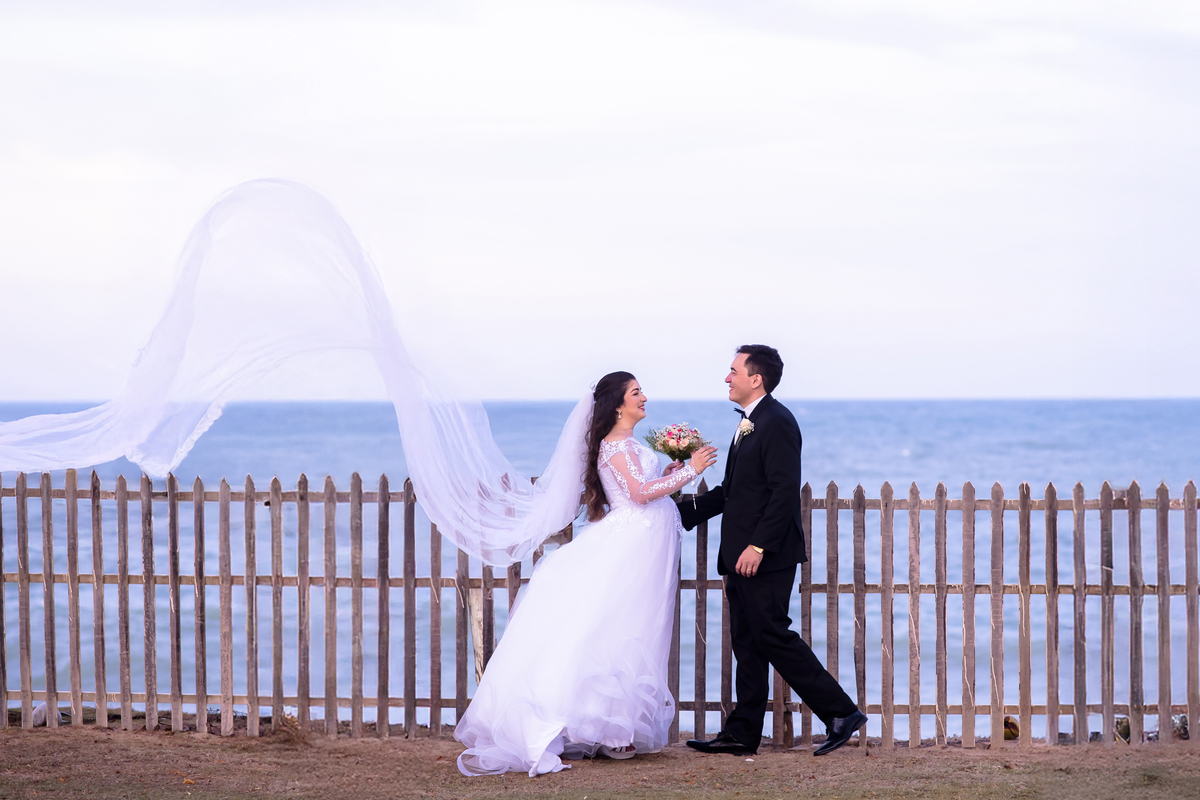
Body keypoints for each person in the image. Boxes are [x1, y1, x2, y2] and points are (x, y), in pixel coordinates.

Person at [455, 371, 719, 777]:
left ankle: (614, 727)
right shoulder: (614, 447)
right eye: (636, 392)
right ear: (618, 404)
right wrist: (690, 472)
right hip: (630, 546)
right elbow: (636, 495)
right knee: (615, 629)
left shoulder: (627, 445)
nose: (644, 397)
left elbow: (644, 487)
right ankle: (606, 731)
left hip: (645, 545)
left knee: (632, 629)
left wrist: (669, 473)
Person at [679, 345, 866, 756]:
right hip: (741, 557)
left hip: (766, 556)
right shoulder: (749, 422)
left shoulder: (777, 422)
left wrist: (758, 546)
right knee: (747, 642)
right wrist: (678, 511)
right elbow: (734, 492)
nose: (727, 378)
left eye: (732, 371)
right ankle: (743, 733)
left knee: (773, 635)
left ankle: (841, 713)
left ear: (755, 378)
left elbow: (784, 493)